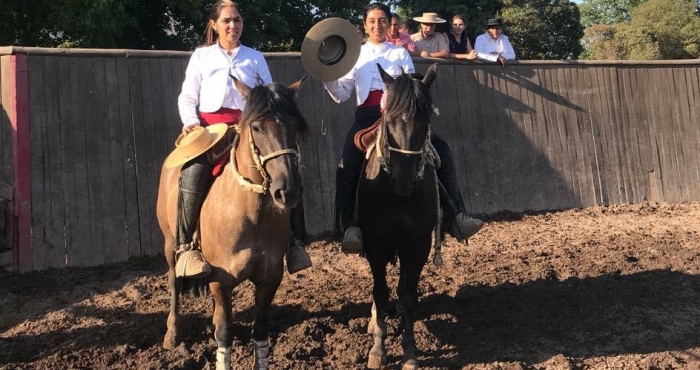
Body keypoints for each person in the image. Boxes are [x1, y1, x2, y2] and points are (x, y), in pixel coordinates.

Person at [322, 3, 483, 254]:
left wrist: (398, 101)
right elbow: (341, 95)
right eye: (372, 21)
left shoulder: (400, 54)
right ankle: (349, 227)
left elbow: (413, 89)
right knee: (346, 164)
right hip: (366, 117)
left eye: (382, 20)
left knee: (441, 150)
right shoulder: (354, 56)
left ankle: (455, 215)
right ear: (365, 25)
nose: (378, 25)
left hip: (400, 117)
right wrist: (327, 76)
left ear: (389, 23)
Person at [175, 0, 311, 278]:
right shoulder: (201, 57)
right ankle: (185, 246)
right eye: (226, 20)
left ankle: (296, 243)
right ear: (214, 25)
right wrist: (190, 123)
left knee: (287, 169)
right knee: (194, 171)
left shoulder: (254, 57)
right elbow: (188, 95)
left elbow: (269, 98)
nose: (232, 26)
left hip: (249, 128)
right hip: (210, 131)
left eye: (237, 20)